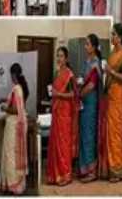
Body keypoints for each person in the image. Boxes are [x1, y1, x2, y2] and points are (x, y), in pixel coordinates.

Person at [99, 23, 122, 182]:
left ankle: (119, 169)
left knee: (117, 133)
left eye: (113, 34)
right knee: (110, 132)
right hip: (111, 95)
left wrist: (110, 71)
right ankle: (111, 167)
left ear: (119, 37)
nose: (111, 37)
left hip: (119, 97)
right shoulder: (113, 52)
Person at [46, 47, 79, 186]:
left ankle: (65, 175)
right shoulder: (57, 73)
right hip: (56, 111)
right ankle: (55, 175)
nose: (59, 59)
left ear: (66, 58)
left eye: (61, 56)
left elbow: (73, 94)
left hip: (65, 113)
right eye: (57, 56)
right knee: (55, 143)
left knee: (64, 143)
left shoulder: (69, 75)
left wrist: (58, 94)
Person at [0, 63, 29, 194]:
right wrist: (5, 99)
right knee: (15, 154)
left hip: (13, 126)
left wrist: (5, 108)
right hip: (17, 125)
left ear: (13, 75)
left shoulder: (17, 89)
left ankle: (13, 184)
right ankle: (16, 183)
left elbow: (16, 110)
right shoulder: (20, 88)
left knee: (10, 154)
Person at [78, 34, 103, 182]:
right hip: (83, 103)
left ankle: (92, 171)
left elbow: (92, 85)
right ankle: (84, 169)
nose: (85, 46)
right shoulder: (86, 62)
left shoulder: (95, 63)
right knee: (83, 134)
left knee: (89, 136)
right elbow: (82, 79)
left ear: (93, 47)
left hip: (91, 103)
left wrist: (79, 94)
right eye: (85, 44)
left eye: (87, 44)